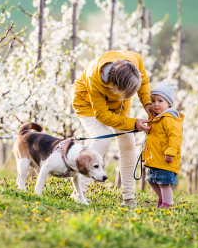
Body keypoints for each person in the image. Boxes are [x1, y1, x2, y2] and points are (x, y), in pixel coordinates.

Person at [72, 50, 153, 209]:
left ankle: (129, 198)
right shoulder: (93, 76)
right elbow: (102, 114)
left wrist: (148, 103)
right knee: (103, 138)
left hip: (118, 106)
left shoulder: (135, 60)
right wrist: (133, 123)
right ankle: (78, 193)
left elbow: (143, 83)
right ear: (113, 86)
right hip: (87, 103)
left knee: (129, 144)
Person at [142, 82, 184, 209]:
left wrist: (170, 152)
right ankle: (162, 198)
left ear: (169, 104)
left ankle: (167, 204)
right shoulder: (156, 119)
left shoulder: (170, 119)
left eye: (160, 101)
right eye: (153, 100)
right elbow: (150, 139)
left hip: (165, 158)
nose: (155, 104)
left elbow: (175, 137)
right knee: (150, 179)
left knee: (164, 183)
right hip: (154, 158)